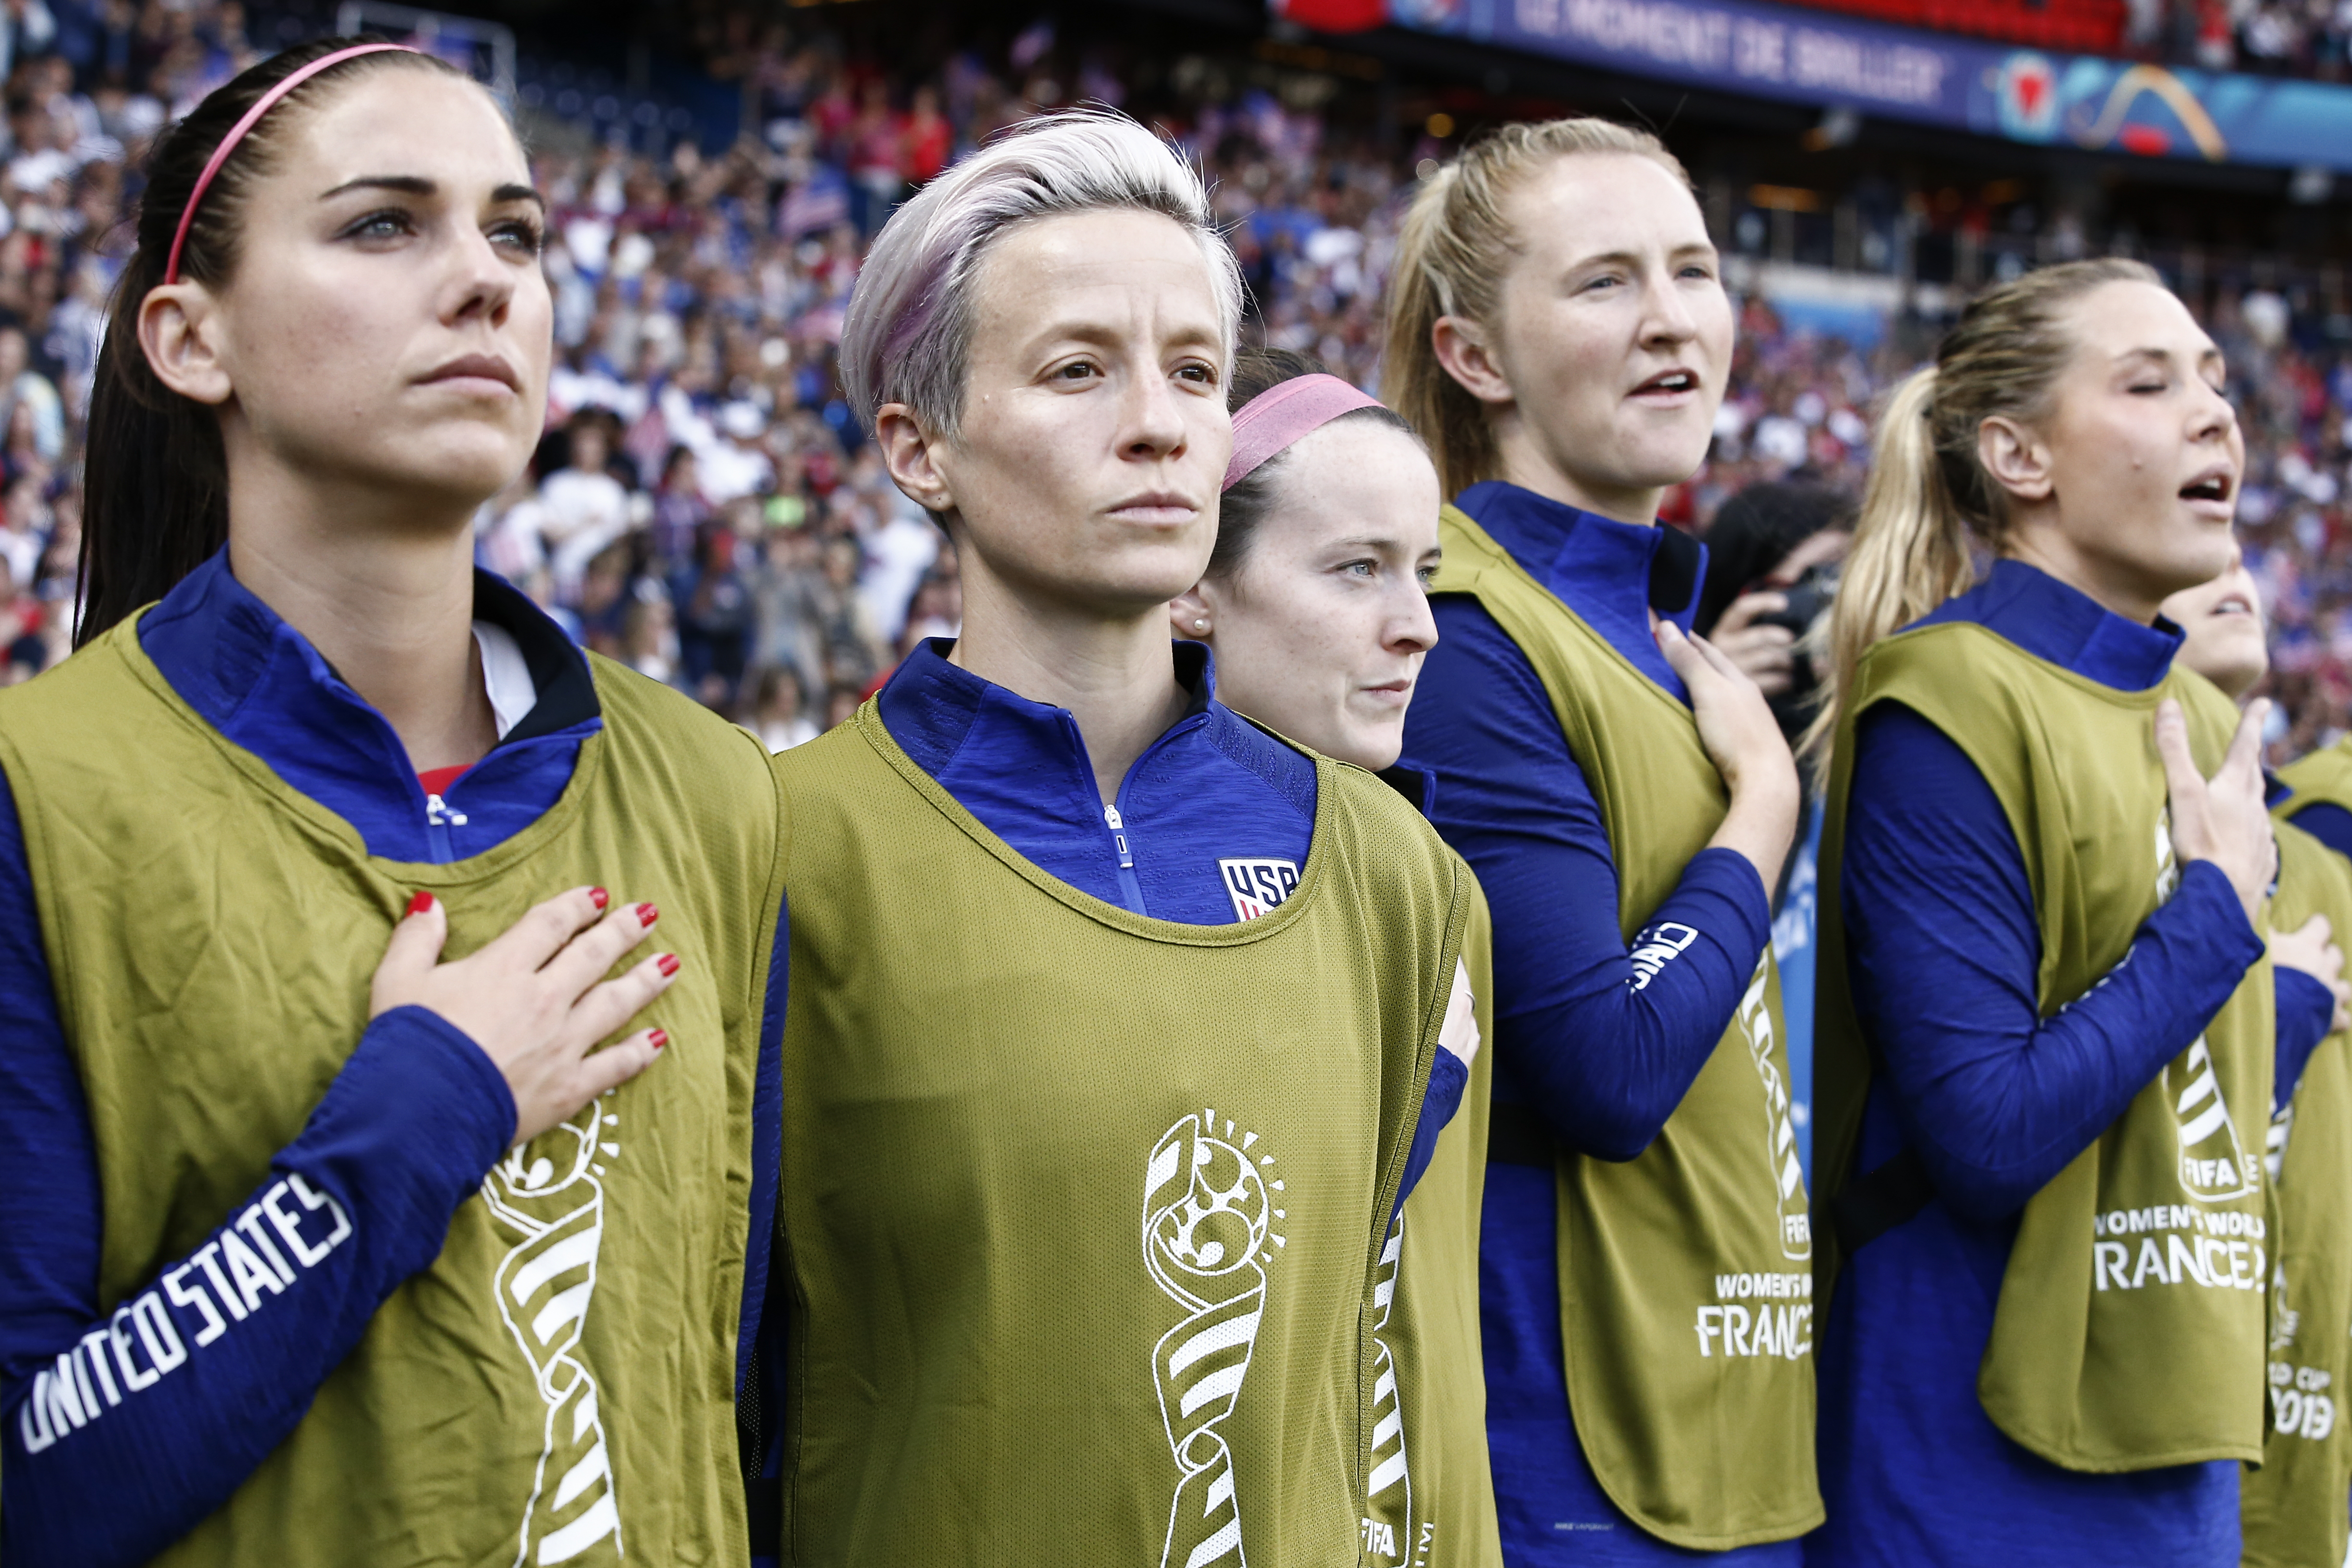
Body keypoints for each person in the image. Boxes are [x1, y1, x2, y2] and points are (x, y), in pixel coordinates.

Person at [0, 41, 787, 1567]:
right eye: (383, 224)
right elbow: (32, 1486)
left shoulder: (713, 789)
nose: (486, 280)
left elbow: (723, 1401)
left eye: (516, 232)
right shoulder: (41, 795)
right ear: (189, 338)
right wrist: (423, 1110)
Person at [758, 110, 1480, 1566]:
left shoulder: (1399, 879)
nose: (1158, 423)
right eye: (1078, 369)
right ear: (919, 447)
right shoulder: (776, 849)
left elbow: (1400, 1370)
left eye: (1195, 372)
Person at [1807, 259, 2292, 1567]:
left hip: (2174, 1447)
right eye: (2146, 383)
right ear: (2016, 454)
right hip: (1971, 1466)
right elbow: (1979, 1129)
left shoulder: (2191, 714)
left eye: (2211, 376)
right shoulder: (1944, 702)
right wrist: (2211, 920)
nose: (2214, 414)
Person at [1385, 117, 1816, 1564]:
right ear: (1473, 358)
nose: (1670, 320)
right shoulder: (1457, 627)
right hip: (1568, 1457)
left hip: (1735, 1425)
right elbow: (1602, 1071)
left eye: (1692, 272)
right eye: (1603, 283)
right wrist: (1763, 818)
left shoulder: (1655, 628)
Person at [1167, 345, 1503, 1568]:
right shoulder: (1109, 872)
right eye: (1356, 569)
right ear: (1193, 583)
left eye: (1422, 571)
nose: (1415, 626)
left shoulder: (1431, 875)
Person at [2172, 548, 2352, 1568]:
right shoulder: (2095, 810)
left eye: (2243, 551)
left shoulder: (2320, 860)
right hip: (2161, 1376)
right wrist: (2267, 999)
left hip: (2296, 1390)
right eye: (2202, 555)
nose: (2230, 562)